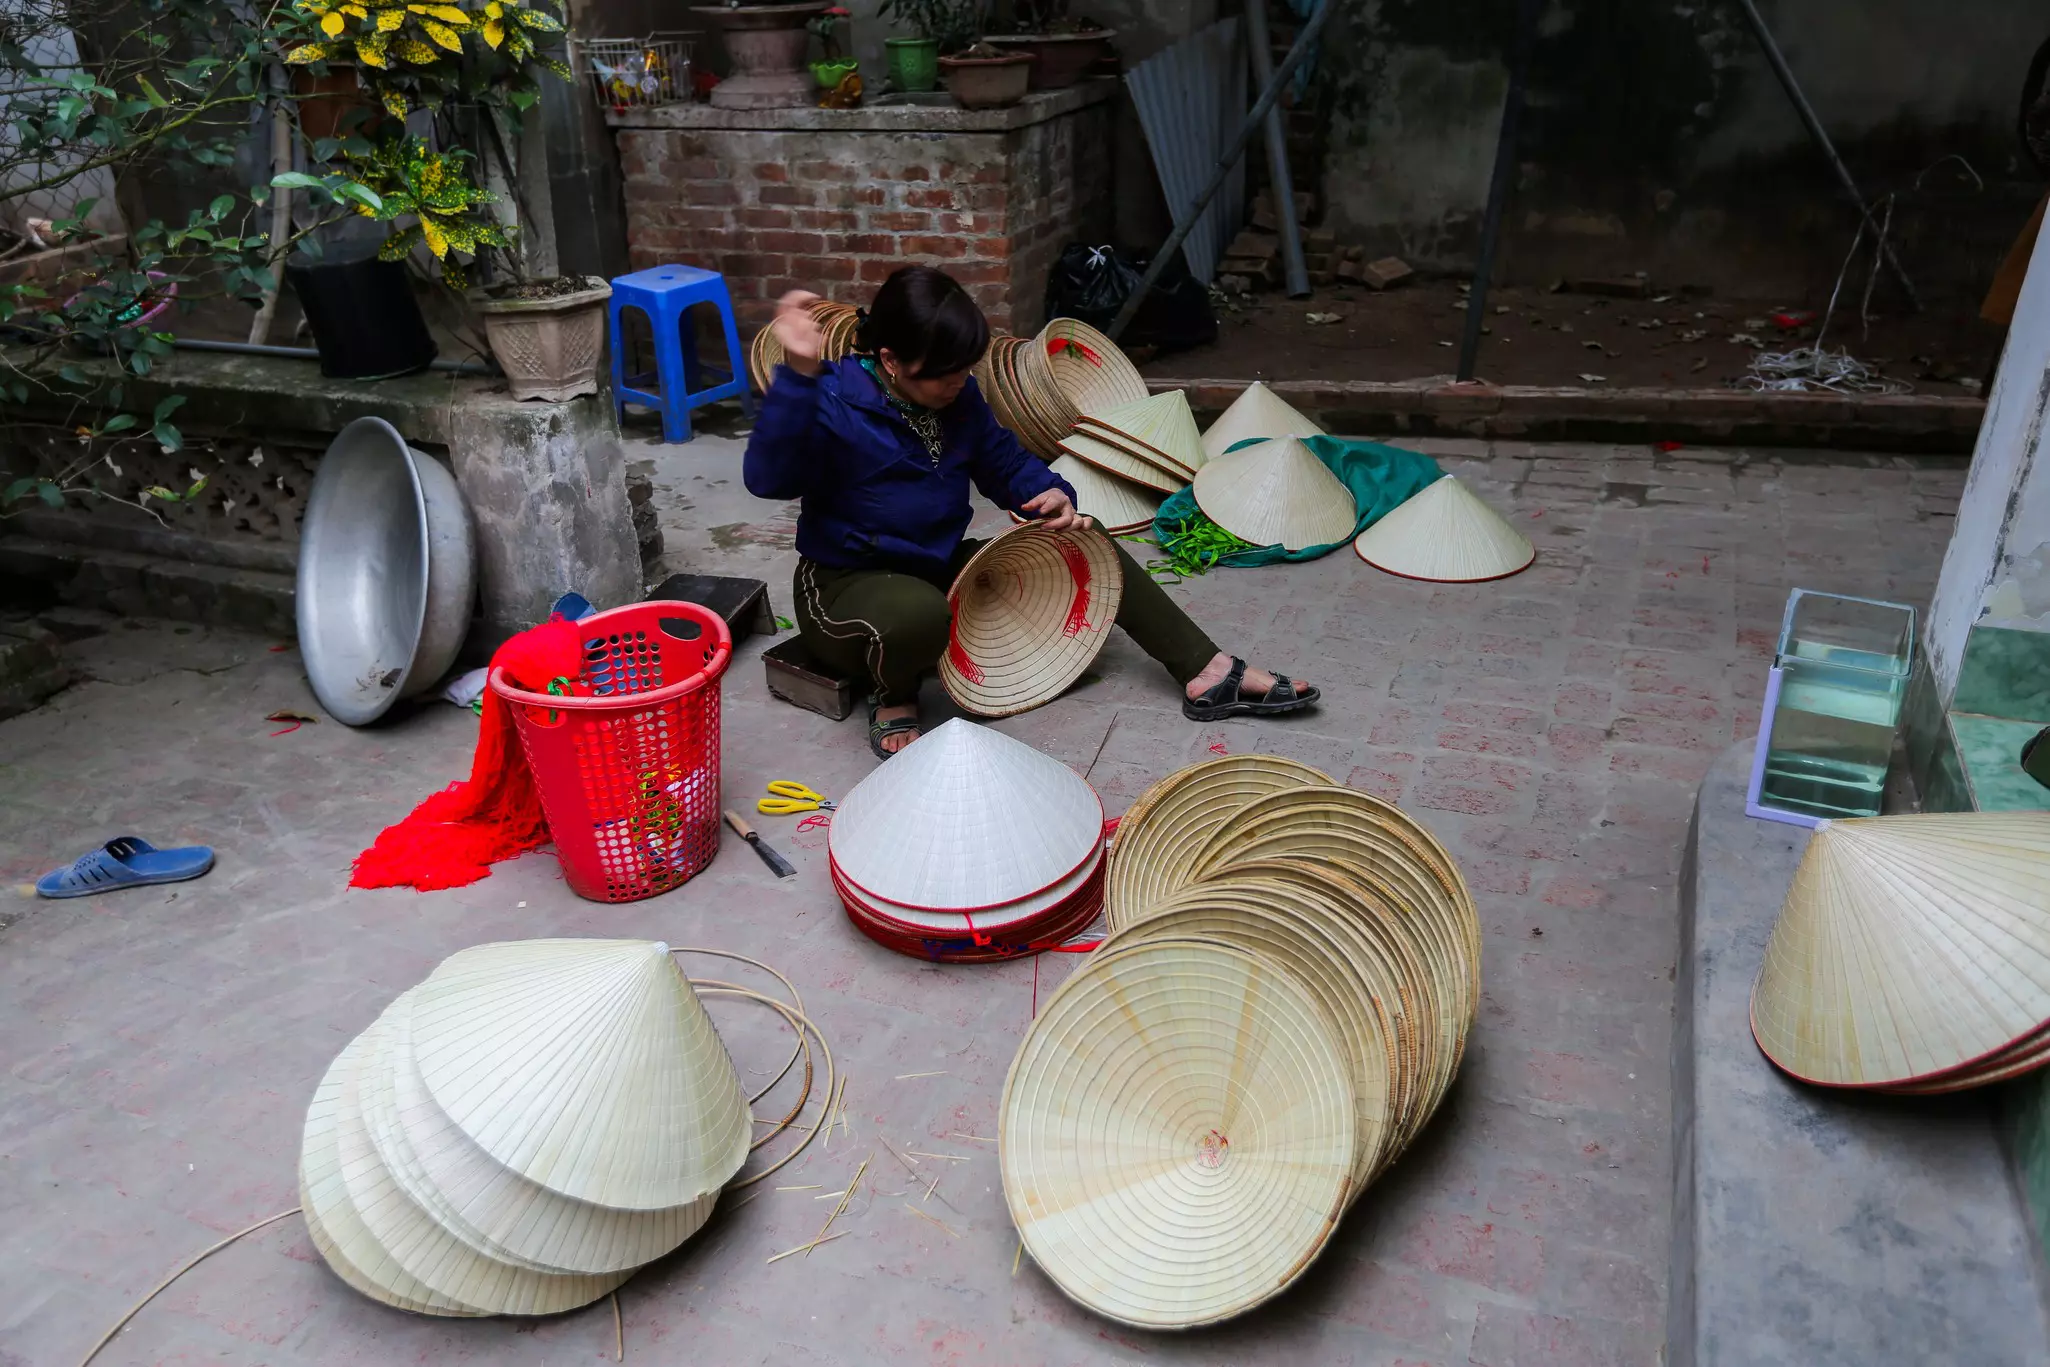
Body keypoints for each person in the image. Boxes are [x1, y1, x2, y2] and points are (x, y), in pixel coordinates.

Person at [743, 266, 1317, 758]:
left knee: (1083, 541)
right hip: (845, 586)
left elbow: (1002, 461)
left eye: (965, 368)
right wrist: (797, 378)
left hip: (935, 565)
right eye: (943, 373)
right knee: (918, 617)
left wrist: (1049, 493)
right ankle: (893, 695)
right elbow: (766, 479)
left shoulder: (957, 395)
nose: (959, 383)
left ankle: (1205, 670)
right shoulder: (832, 398)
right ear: (890, 359)